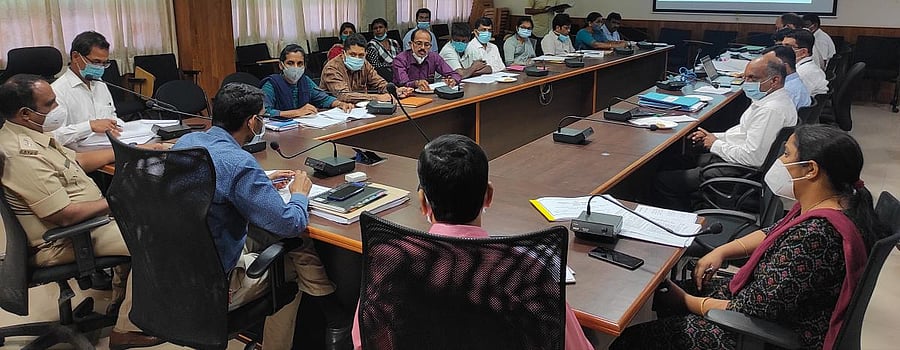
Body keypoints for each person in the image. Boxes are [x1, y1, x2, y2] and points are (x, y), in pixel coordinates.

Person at [612, 124, 886, 349]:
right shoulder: (836, 203)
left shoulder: (815, 236)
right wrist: (723, 250)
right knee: (670, 294)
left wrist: (685, 301)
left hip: (770, 334)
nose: (779, 161)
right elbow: (773, 232)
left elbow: (752, 309)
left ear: (811, 169)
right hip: (777, 308)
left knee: (633, 339)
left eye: (787, 154)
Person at [349, 134, 595, 350]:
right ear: (489, 196)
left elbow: (364, 342)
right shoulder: (525, 271)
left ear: (423, 202)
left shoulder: (391, 262)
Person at [173, 83, 351, 350]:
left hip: (180, 263)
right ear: (252, 122)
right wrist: (299, 194)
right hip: (217, 283)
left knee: (293, 242)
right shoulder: (239, 163)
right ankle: (328, 317)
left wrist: (261, 182)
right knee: (292, 258)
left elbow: (216, 184)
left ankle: (334, 315)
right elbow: (291, 223)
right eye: (263, 117)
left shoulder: (188, 142)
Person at [0, 74, 168, 348]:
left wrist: (136, 150)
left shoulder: (29, 134)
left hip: (87, 224)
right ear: (25, 113)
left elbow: (77, 160)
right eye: (50, 104)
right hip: (62, 239)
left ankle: (121, 303)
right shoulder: (20, 154)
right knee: (157, 236)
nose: (57, 108)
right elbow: (64, 215)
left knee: (143, 218)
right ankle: (126, 330)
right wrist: (120, 200)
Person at [652, 55, 798, 211]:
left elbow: (753, 158)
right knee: (673, 160)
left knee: (663, 181)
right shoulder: (771, 101)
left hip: (740, 170)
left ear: (774, 81)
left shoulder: (771, 110)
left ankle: (684, 219)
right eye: (745, 77)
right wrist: (713, 136)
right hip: (738, 163)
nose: (746, 83)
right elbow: (744, 133)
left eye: (752, 78)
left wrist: (714, 144)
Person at [50, 31, 123, 147]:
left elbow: (111, 114)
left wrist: (118, 125)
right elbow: (53, 136)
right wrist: (89, 126)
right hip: (78, 152)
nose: (100, 67)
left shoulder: (99, 83)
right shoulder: (56, 91)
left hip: (108, 144)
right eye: (96, 62)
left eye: (104, 63)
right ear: (75, 57)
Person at [260, 44, 354, 118]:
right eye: (290, 63)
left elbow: (323, 99)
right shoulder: (271, 84)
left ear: (304, 66)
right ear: (281, 65)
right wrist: (297, 112)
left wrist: (340, 104)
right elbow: (264, 112)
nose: (295, 67)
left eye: (300, 63)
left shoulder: (305, 81)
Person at [321, 34, 413, 103]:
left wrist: (396, 91)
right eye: (352, 54)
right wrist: (377, 97)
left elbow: (379, 83)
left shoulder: (364, 64)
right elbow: (343, 95)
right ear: (343, 53)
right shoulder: (332, 68)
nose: (357, 58)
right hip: (334, 112)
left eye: (361, 55)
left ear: (366, 54)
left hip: (361, 110)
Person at [393, 29, 462, 91]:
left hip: (429, 94)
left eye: (426, 44)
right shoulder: (400, 59)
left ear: (430, 46)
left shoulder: (434, 57)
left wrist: (453, 80)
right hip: (406, 96)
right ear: (411, 44)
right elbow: (403, 83)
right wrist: (416, 83)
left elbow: (454, 74)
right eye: (419, 43)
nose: (422, 47)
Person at [783, 29, 829, 96]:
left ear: (803, 52)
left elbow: (790, 99)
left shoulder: (803, 73)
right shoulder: (805, 66)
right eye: (782, 46)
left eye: (788, 47)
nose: (782, 50)